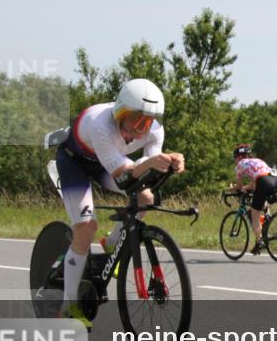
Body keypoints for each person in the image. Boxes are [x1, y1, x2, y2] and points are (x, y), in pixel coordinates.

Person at [55, 78, 184, 328]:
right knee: (86, 226)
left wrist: (171, 163)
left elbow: (146, 174)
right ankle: (68, 306)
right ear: (120, 112)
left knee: (145, 198)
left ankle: (112, 243)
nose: (141, 127)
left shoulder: (155, 130)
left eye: (148, 121)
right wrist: (148, 163)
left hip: (106, 162)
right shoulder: (101, 125)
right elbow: (123, 177)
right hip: (74, 163)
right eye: (136, 118)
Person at [229, 144, 277, 253]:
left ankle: (259, 241)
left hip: (263, 182)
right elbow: (253, 184)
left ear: (239, 157)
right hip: (275, 180)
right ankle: (267, 220)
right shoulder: (257, 161)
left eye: (235, 158)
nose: (235, 161)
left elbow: (238, 186)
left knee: (254, 211)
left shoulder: (240, 165)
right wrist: (245, 188)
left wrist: (232, 189)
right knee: (261, 202)